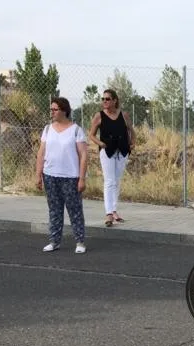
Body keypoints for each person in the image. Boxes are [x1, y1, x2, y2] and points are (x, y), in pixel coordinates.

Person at [35, 97, 88, 254]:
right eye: (51, 109)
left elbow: (83, 155)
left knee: (75, 210)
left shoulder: (76, 130)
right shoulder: (47, 129)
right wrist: (38, 175)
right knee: (54, 210)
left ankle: (80, 241)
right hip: (50, 175)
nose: (52, 112)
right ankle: (54, 241)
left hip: (70, 177)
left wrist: (82, 178)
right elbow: (41, 153)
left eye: (55, 109)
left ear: (64, 111)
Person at [88, 88, 134, 227]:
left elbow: (131, 130)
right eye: (103, 99)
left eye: (107, 99)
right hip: (107, 151)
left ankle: (114, 210)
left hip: (122, 151)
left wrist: (132, 143)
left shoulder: (124, 115)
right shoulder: (99, 116)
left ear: (115, 100)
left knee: (117, 181)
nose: (104, 101)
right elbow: (91, 135)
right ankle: (108, 213)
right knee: (109, 181)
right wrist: (100, 143)